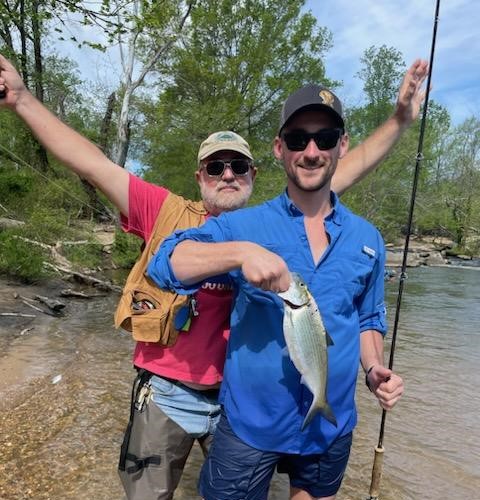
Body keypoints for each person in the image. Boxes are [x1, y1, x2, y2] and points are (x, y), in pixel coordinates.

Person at [0, 53, 427, 500]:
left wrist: (399, 120)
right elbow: (93, 164)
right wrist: (24, 101)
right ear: (199, 174)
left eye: (238, 167)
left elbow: (333, 167)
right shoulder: (170, 212)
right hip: (172, 390)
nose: (227, 175)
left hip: (229, 398)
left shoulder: (267, 223)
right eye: (215, 167)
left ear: (254, 174)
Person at [147, 83, 405, 500]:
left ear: (341, 146)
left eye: (323, 139)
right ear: (279, 148)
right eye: (297, 139)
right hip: (252, 423)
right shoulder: (244, 226)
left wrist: (374, 369)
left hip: (331, 421)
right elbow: (165, 264)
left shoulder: (368, 238)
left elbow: (367, 317)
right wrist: (239, 253)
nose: (311, 151)